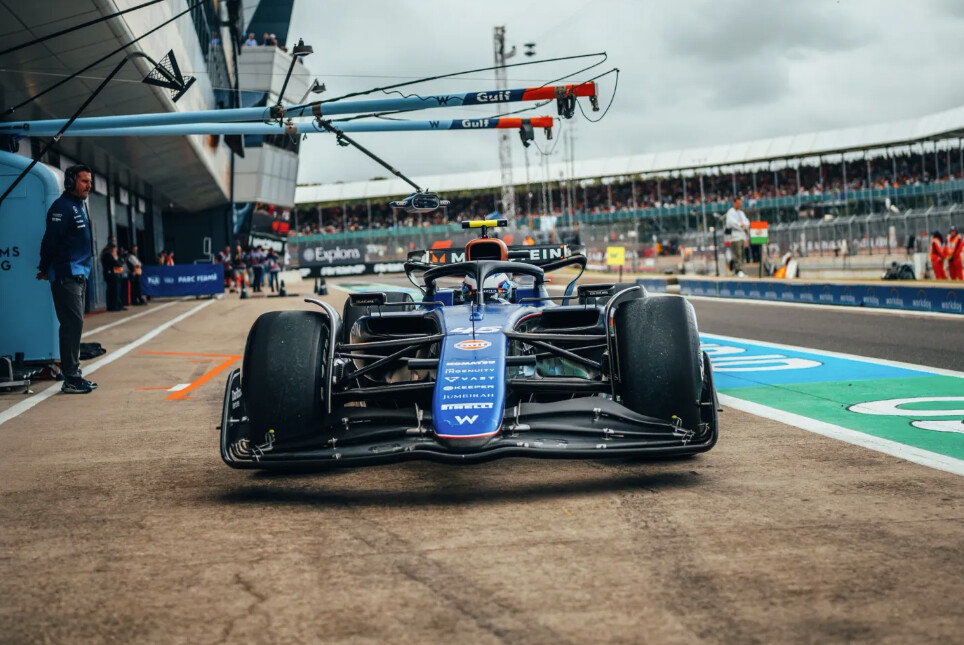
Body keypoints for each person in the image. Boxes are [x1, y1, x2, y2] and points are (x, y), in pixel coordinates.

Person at [36, 164, 98, 394]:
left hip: (79, 273)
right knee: (72, 325)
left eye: (90, 182)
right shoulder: (62, 207)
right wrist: (44, 266)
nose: (88, 186)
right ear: (71, 182)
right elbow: (50, 240)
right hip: (66, 275)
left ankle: (74, 374)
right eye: (84, 181)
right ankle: (71, 377)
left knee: (75, 324)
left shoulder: (79, 206)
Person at [724, 197, 750, 277]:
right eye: (738, 203)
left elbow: (746, 222)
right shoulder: (730, 212)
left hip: (742, 235)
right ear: (735, 203)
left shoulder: (741, 213)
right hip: (735, 236)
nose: (740, 205)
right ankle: (737, 270)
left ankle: (741, 269)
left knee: (742, 253)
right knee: (737, 253)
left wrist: (744, 226)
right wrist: (741, 225)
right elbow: (732, 223)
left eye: (740, 203)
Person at [100, 241, 125, 311]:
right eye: (113, 248)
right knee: (113, 291)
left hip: (112, 274)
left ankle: (117, 305)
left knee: (115, 291)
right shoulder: (107, 255)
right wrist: (120, 263)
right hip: (110, 275)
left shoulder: (110, 254)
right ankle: (113, 306)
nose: (114, 249)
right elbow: (115, 263)